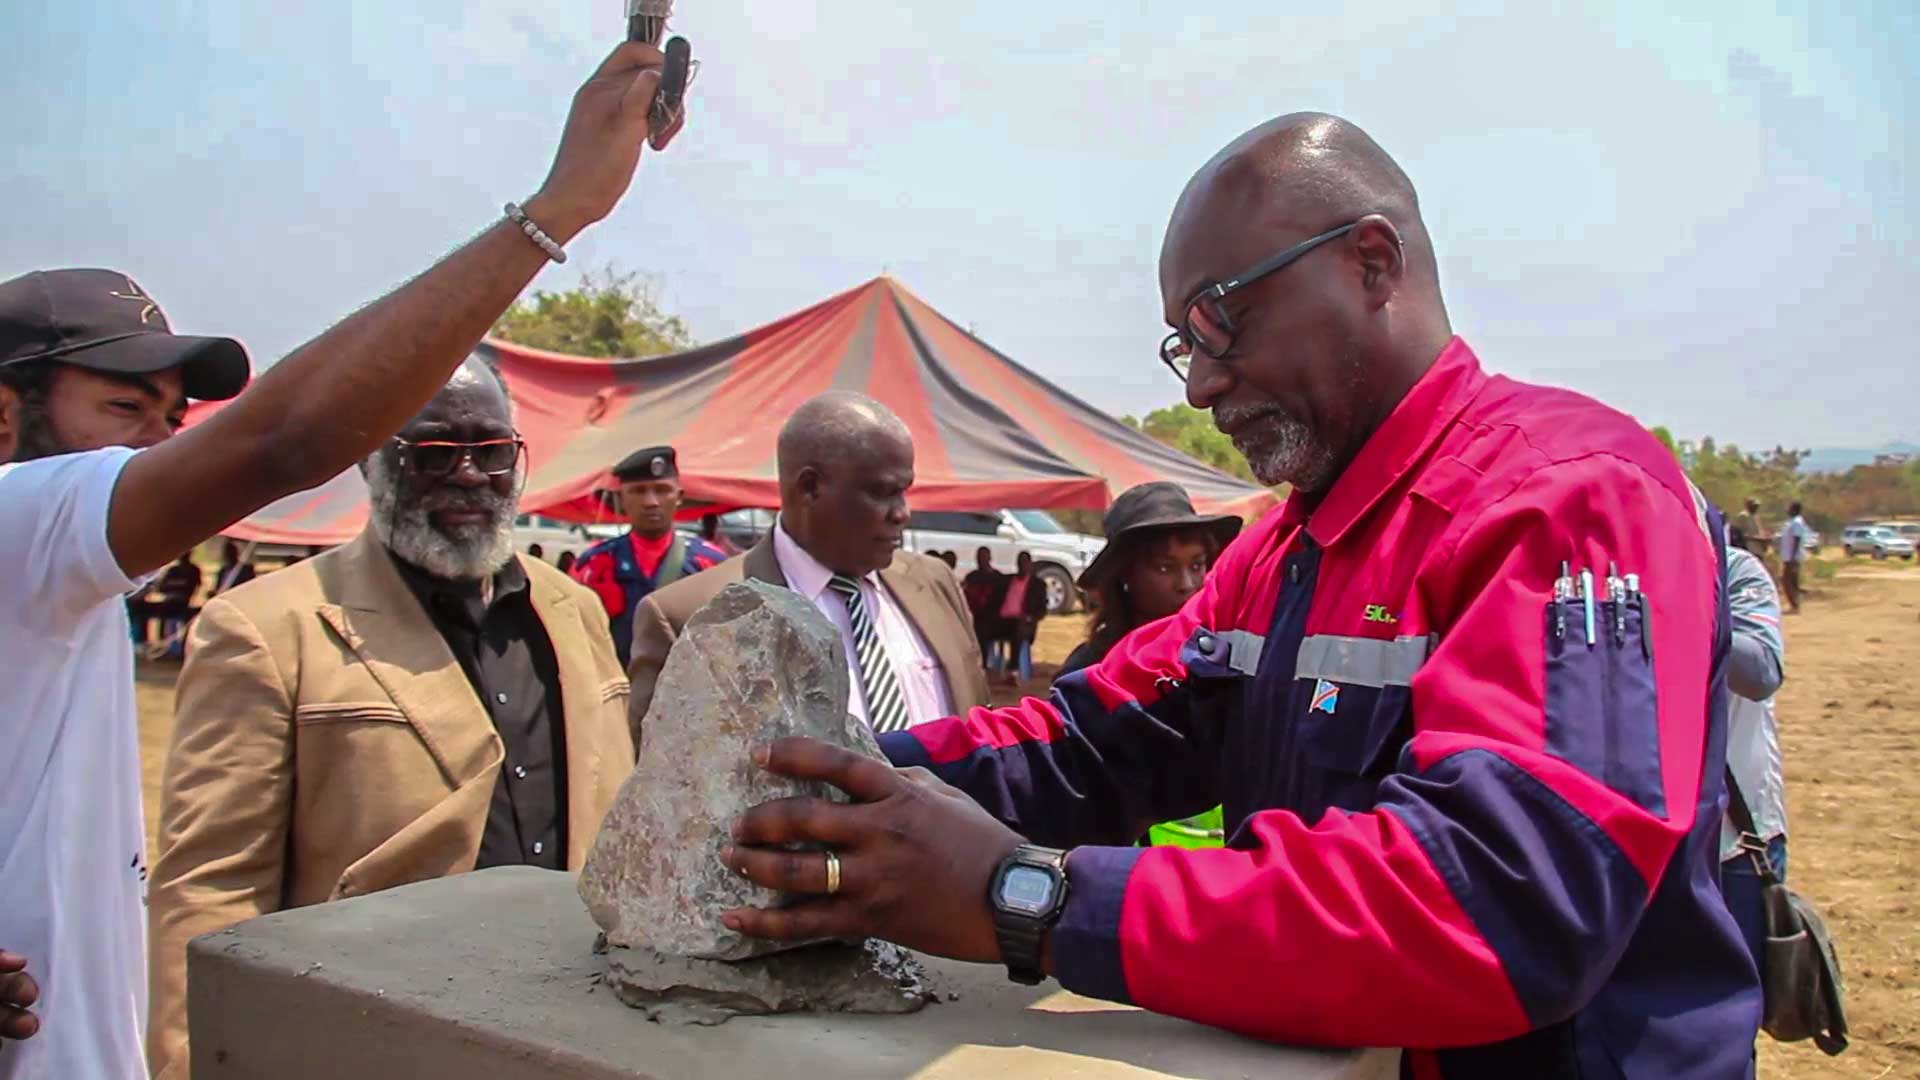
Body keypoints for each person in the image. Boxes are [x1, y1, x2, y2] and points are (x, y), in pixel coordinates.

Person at [711, 113, 1758, 1078]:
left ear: (1372, 262)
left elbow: (1504, 902)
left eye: (1224, 322)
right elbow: (1090, 741)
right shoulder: (1284, 551)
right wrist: (842, 780)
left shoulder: (1567, 501)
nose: (1200, 386)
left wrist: (1026, 895)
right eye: (1184, 342)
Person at [0, 40, 682, 1080]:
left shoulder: (571, 612)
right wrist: (556, 212)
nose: (161, 449)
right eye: (122, 410)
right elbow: (211, 902)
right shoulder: (82, 551)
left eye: (173, 418)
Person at [146, 359, 636, 1080]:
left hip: (576, 1036)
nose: (470, 475)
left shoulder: (576, 613)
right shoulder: (266, 629)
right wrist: (202, 1059)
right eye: (435, 453)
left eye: (492, 451)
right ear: (370, 461)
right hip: (374, 1043)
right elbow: (208, 892)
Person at [626, 392, 989, 741]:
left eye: (904, 491)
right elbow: (674, 789)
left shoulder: (934, 583)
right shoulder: (689, 618)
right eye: (881, 492)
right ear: (810, 488)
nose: (902, 513)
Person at [1055, 482, 1241, 680]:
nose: (1186, 585)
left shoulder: (1221, 656)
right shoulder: (1092, 671)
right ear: (1126, 574)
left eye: (1196, 566)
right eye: (1164, 567)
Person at [569, 446, 727, 666]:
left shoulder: (711, 564)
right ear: (621, 499)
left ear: (679, 496)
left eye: (662, 490)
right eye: (639, 491)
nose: (651, 501)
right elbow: (574, 639)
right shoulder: (593, 565)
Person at [1718, 543, 1787, 992]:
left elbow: (1759, 672)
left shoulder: (1735, 570)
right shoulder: (1604, 576)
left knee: (1733, 1011)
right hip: (1642, 844)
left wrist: (1679, 597)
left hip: (1735, 844)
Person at [994, 552, 1051, 684]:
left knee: (1017, 629)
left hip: (1023, 623)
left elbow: (1041, 610)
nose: (1022, 566)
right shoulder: (1007, 581)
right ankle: (984, 667)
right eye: (1020, 562)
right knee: (980, 628)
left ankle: (1013, 671)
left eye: (1025, 563)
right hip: (1002, 621)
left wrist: (1030, 617)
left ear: (1030, 565)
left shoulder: (1037, 585)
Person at [128, 553, 202, 648]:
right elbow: (161, 587)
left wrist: (177, 590)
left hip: (182, 603)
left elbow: (196, 586)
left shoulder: (193, 570)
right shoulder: (173, 570)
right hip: (168, 601)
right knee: (138, 607)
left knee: (173, 611)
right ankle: (141, 641)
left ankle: (174, 645)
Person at [961, 546, 1009, 674]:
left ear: (990, 558)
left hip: (993, 619)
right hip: (974, 616)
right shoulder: (972, 577)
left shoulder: (997, 578)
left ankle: (983, 664)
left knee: (982, 628)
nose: (981, 560)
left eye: (984, 557)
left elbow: (1002, 601)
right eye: (979, 558)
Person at [1776, 500, 1813, 614]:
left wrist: (1792, 557)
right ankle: (1795, 605)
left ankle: (1795, 605)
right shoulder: (1791, 522)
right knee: (1791, 581)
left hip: (1792, 557)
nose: (1787, 510)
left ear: (1794, 509)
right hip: (1788, 556)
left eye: (1789, 508)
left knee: (1788, 580)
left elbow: (1797, 539)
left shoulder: (1797, 522)